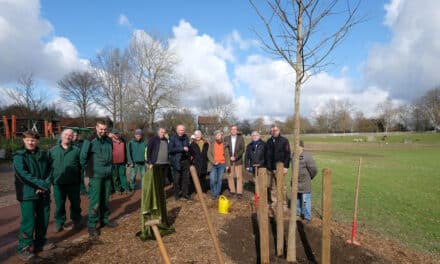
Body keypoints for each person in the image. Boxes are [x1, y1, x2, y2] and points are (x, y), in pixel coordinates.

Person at [13, 130, 54, 261]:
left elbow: (50, 170)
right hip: (27, 194)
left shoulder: (43, 155)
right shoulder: (19, 156)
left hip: (43, 193)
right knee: (28, 221)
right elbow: (23, 175)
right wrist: (40, 185)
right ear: (24, 140)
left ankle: (40, 243)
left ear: (38, 141)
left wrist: (46, 184)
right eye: (28, 140)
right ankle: (24, 248)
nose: (31, 142)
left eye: (33, 140)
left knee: (43, 219)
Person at [80, 121, 117, 237]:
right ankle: (92, 225)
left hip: (107, 175)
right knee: (95, 201)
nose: (103, 131)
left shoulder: (109, 140)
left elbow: (111, 156)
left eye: (105, 129)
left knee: (105, 199)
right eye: (101, 129)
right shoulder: (90, 140)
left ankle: (105, 220)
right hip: (95, 176)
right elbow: (82, 157)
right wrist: (88, 170)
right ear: (96, 128)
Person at [138, 127, 175, 240]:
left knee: (161, 185)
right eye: (161, 132)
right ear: (158, 132)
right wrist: (149, 162)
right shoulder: (153, 140)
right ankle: (154, 201)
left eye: (164, 132)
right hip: (155, 165)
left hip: (164, 165)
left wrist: (168, 141)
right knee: (154, 184)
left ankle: (160, 196)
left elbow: (168, 150)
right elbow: (148, 151)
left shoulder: (165, 140)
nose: (163, 133)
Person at [49, 129, 82, 233]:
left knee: (76, 203)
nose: (68, 137)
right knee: (59, 204)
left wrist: (78, 179)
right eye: (66, 135)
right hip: (58, 183)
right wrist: (51, 180)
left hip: (73, 183)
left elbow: (81, 166)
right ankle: (59, 222)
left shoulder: (76, 150)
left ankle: (76, 220)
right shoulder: (52, 151)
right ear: (61, 136)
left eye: (70, 135)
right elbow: (48, 167)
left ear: (73, 138)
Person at [265, 125, 291, 208]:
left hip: (280, 168)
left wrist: (286, 167)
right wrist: (268, 167)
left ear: (279, 131)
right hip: (271, 168)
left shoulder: (284, 141)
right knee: (272, 187)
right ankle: (274, 202)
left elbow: (287, 154)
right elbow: (267, 155)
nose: (274, 132)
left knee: (282, 186)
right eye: (272, 130)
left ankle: (283, 204)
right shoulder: (268, 141)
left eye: (275, 130)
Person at [295, 140, 317, 223]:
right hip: (296, 182)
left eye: (298, 146)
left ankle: (307, 217)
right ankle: (298, 213)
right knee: (297, 199)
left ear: (302, 147)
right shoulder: (293, 155)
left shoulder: (307, 156)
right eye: (295, 146)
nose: (296, 148)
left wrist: (309, 178)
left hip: (305, 182)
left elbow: (314, 169)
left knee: (305, 200)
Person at [169, 124, 191, 200]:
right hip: (176, 161)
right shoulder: (173, 138)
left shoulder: (186, 137)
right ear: (177, 130)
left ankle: (185, 194)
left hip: (185, 161)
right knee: (176, 179)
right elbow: (171, 149)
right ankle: (176, 195)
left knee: (185, 178)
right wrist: (182, 148)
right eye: (181, 130)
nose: (182, 131)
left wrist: (189, 152)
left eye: (183, 130)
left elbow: (188, 146)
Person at [224, 125, 245, 199]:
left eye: (235, 129)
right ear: (230, 130)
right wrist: (229, 157)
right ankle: (232, 191)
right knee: (230, 176)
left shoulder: (240, 138)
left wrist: (235, 157)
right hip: (229, 160)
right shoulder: (226, 138)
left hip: (238, 161)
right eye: (232, 129)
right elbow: (225, 149)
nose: (233, 130)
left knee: (239, 177)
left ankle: (239, 192)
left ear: (237, 130)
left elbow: (242, 149)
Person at [207, 130, 230, 199]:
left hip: (222, 164)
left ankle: (216, 194)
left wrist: (227, 165)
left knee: (219, 180)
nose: (218, 136)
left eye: (219, 135)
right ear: (215, 137)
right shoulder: (212, 144)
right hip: (213, 164)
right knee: (212, 180)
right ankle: (214, 192)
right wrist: (214, 161)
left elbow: (227, 155)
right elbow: (208, 154)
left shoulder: (224, 145)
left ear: (221, 136)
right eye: (217, 135)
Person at [110, 129, 128, 194]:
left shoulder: (123, 140)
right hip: (113, 162)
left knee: (122, 175)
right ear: (112, 134)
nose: (116, 135)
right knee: (115, 177)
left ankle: (125, 188)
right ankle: (117, 189)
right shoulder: (109, 141)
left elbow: (125, 151)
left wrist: (126, 161)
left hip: (122, 162)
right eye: (115, 133)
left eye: (117, 133)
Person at [72, 130, 87, 195]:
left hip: (80, 163)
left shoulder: (81, 143)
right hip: (72, 163)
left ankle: (82, 189)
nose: (75, 137)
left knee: (81, 177)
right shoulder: (69, 143)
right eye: (74, 135)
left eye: (76, 135)